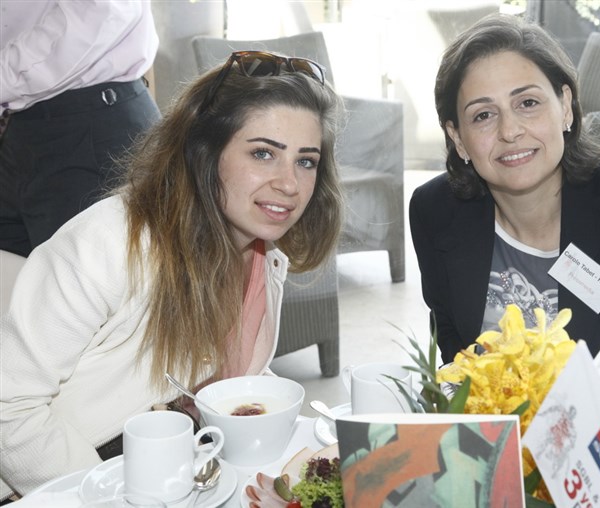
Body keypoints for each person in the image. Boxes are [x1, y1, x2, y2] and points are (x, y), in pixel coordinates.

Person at [0, 50, 343, 499]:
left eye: (306, 161)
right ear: (204, 153)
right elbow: (10, 405)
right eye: (263, 153)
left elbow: (228, 381)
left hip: (179, 475)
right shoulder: (109, 242)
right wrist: (109, 497)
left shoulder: (262, 257)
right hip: (67, 482)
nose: (290, 184)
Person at [409, 14, 600, 365]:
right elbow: (455, 353)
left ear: (565, 107)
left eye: (528, 103)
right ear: (457, 138)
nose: (509, 131)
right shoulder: (434, 211)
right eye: (483, 115)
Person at [0, 1, 162, 257]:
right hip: (20, 127)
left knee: (92, 273)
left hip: (93, 127)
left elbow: (98, 14)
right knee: (16, 274)